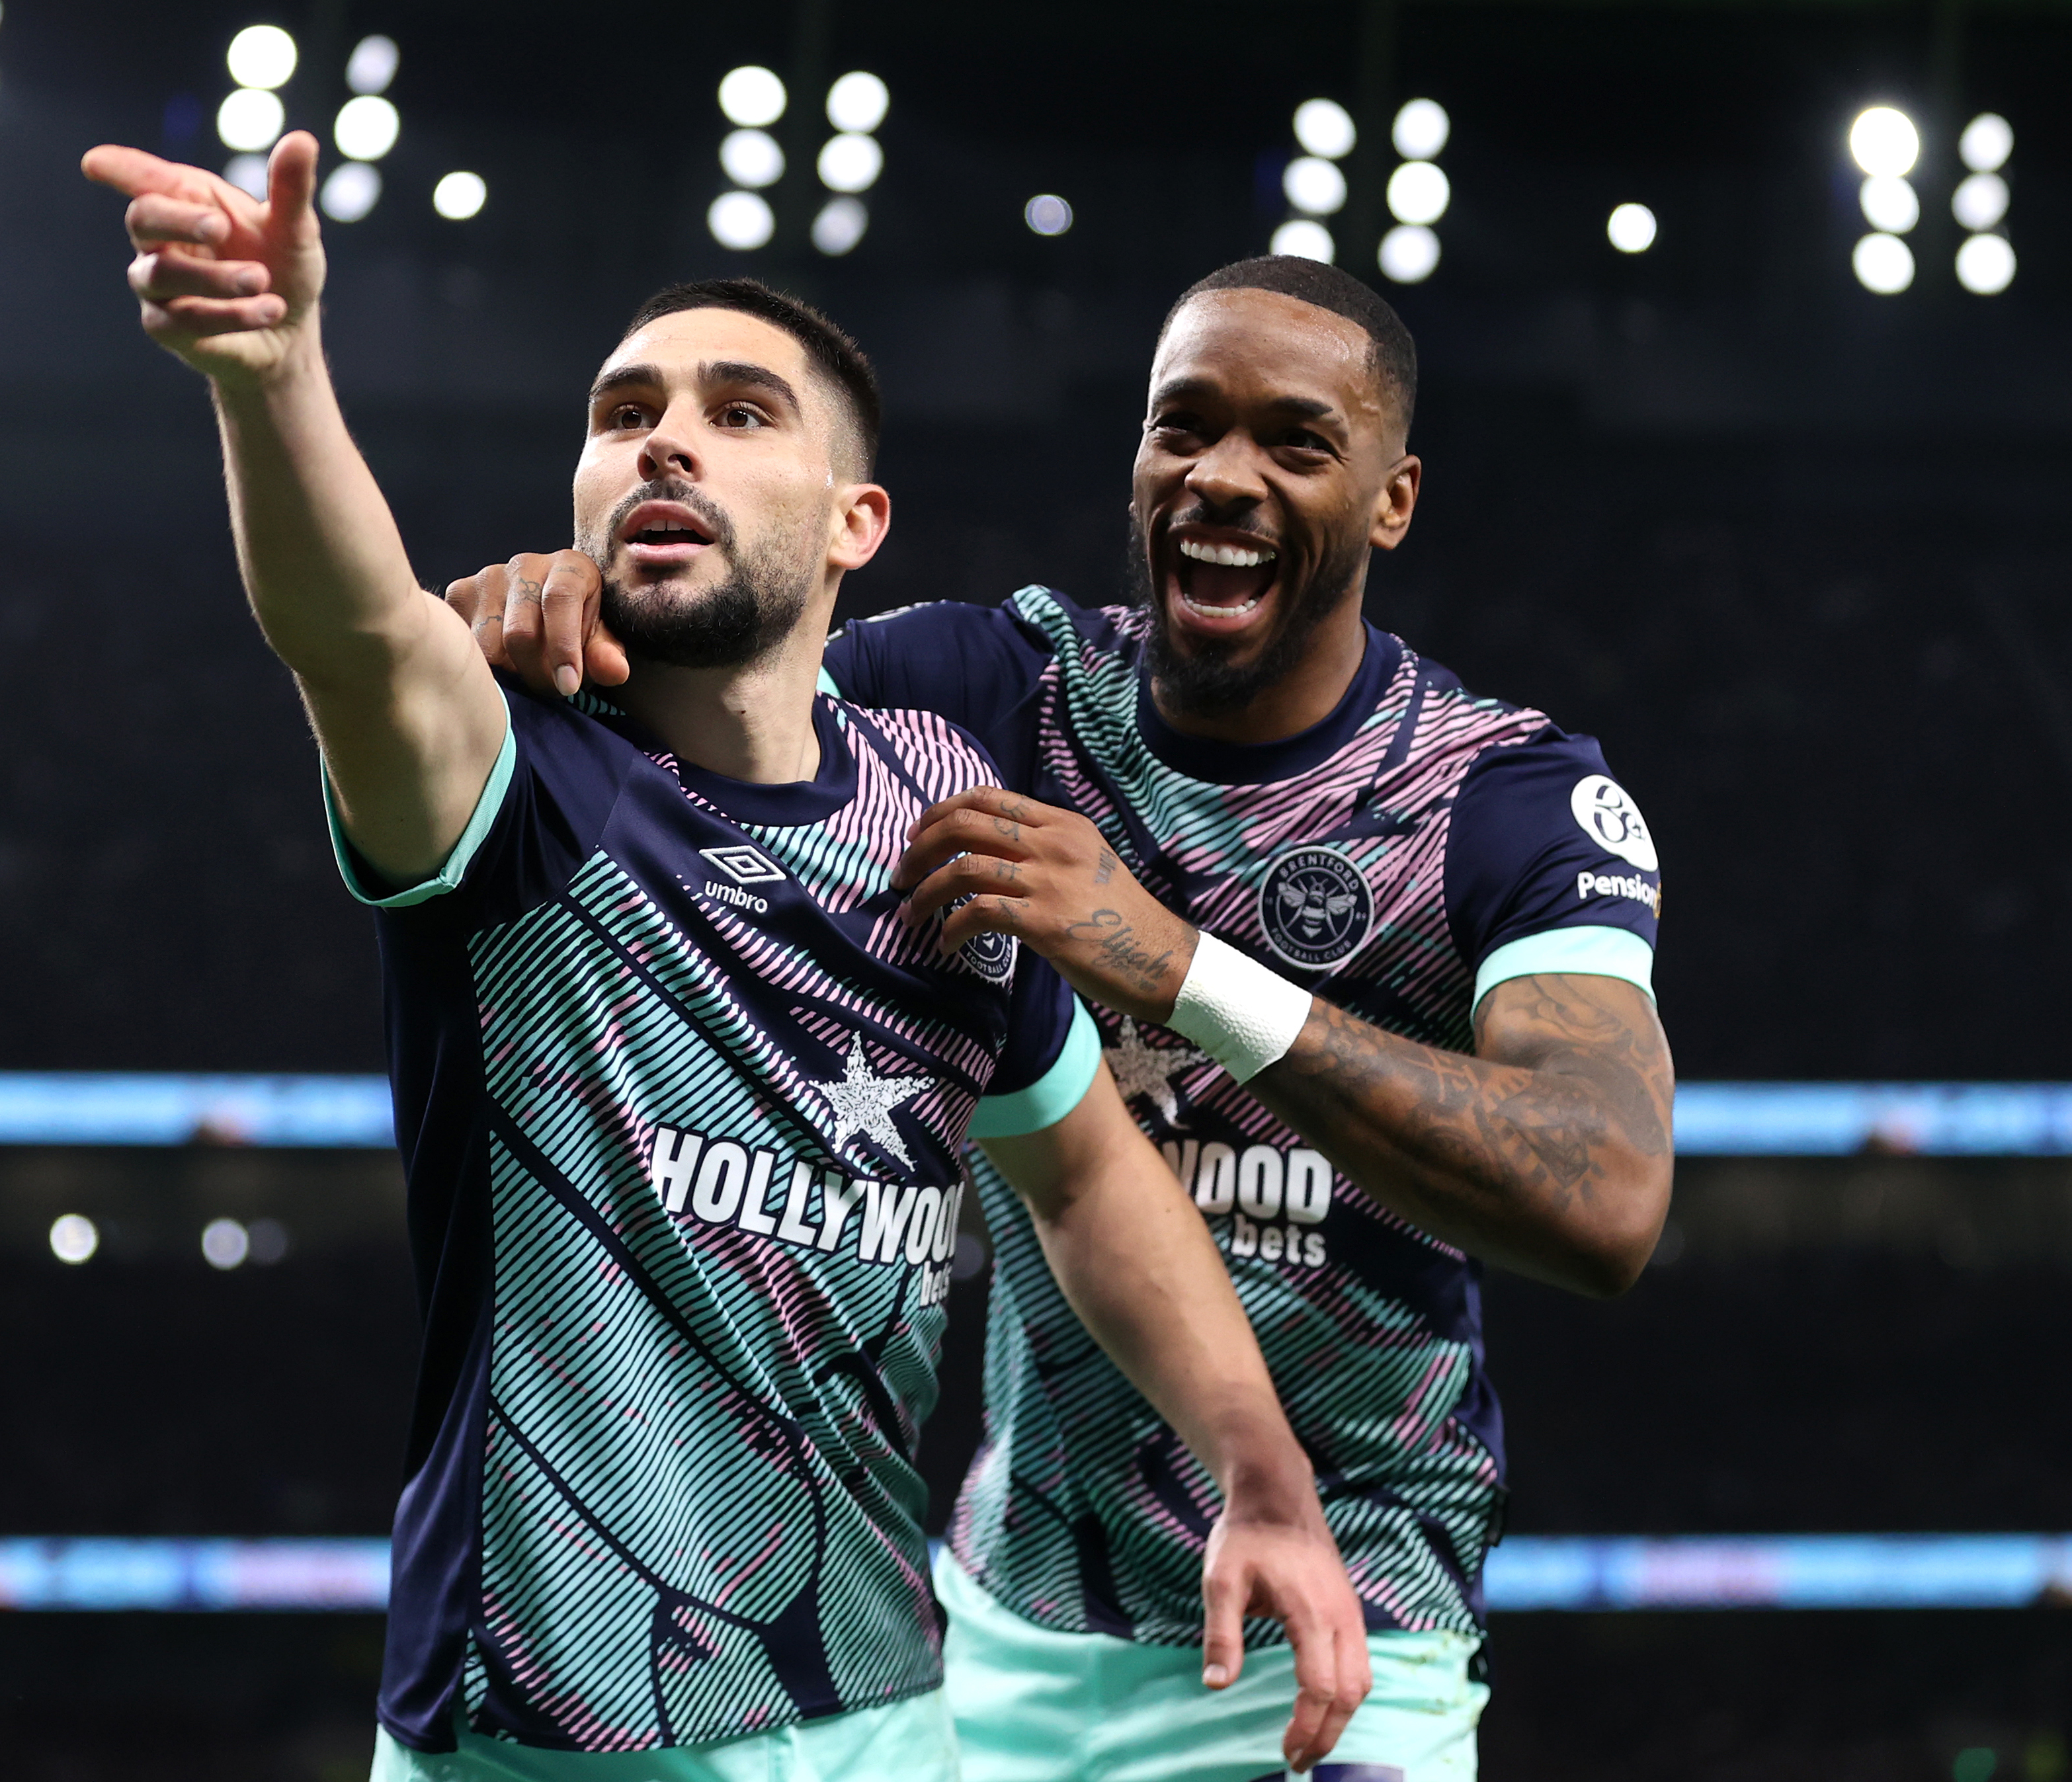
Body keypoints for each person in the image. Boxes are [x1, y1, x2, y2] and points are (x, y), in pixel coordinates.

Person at [81, 137, 1372, 1782]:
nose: (664, 439)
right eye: (623, 413)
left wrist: (1266, 1479)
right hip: (544, 1740)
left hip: (879, 1716)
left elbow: (1087, 1180)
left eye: (739, 412)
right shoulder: (520, 783)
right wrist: (273, 382)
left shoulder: (941, 818)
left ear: (854, 524)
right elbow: (356, 635)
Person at [450, 255, 1675, 1781]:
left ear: (1391, 500)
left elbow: (1607, 1195)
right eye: (1184, 427)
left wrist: (1179, 966)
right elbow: (705, 693)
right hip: (1005, 1632)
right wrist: (565, 603)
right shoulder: (994, 693)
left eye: (1295, 443)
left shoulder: (1499, 799)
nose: (1221, 477)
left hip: (1350, 1620)